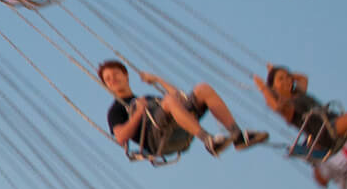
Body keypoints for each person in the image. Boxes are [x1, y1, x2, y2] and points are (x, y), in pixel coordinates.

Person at [97, 60, 267, 159]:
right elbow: (120, 137)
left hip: (175, 127)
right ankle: (208, 140)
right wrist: (139, 112)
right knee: (169, 101)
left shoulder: (148, 98)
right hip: (156, 139)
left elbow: (180, 97)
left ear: (126, 75)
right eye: (108, 79)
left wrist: (157, 80)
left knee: (202, 89)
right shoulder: (116, 110)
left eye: (116, 74)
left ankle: (237, 135)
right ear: (106, 86)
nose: (113, 79)